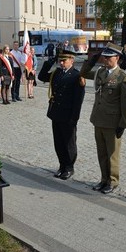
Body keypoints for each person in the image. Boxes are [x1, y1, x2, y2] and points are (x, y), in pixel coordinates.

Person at [79, 42, 126, 194]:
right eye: (104, 57)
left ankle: (113, 181)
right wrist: (91, 60)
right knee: (101, 152)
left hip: (113, 123)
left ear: (117, 58)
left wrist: (123, 124)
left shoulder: (123, 77)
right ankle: (104, 179)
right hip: (98, 119)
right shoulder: (100, 72)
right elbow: (82, 73)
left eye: (109, 57)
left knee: (112, 154)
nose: (105, 60)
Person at [38, 50, 85, 180]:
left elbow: (78, 100)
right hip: (56, 113)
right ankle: (62, 165)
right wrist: (49, 62)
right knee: (58, 142)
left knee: (69, 143)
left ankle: (69, 167)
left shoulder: (76, 76)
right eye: (60, 61)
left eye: (64, 60)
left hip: (68, 115)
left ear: (72, 60)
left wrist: (74, 118)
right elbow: (41, 77)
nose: (62, 63)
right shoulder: (56, 73)